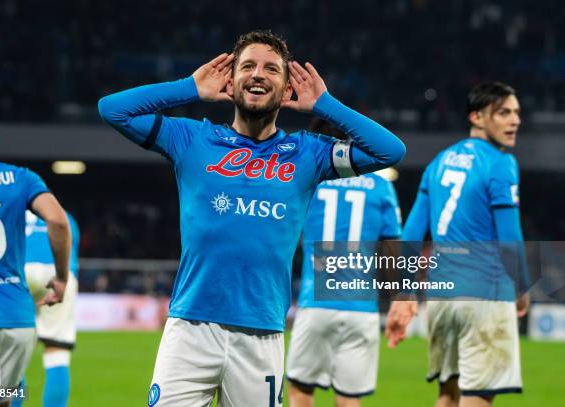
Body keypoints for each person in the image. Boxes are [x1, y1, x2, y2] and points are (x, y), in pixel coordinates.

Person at [98, 30, 405, 406]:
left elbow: (390, 150)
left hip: (261, 335)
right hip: (191, 328)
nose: (258, 74)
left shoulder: (309, 154)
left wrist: (324, 104)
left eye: (271, 69)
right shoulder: (191, 139)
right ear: (231, 79)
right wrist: (188, 88)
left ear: (287, 85)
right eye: (248, 66)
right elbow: (112, 109)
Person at [386, 82, 529, 407]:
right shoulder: (501, 163)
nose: (515, 121)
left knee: (448, 395)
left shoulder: (439, 162)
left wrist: (405, 292)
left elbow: (411, 234)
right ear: (477, 117)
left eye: (517, 113)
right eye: (504, 112)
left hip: (441, 299)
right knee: (478, 395)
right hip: (484, 296)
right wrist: (522, 286)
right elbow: (509, 238)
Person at [0, 95, 71, 407]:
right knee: (4, 400)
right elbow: (58, 220)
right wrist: (60, 278)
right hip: (18, 322)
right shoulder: (22, 178)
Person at [286, 119, 402, 407]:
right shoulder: (380, 184)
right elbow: (391, 249)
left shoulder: (310, 180)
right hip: (362, 308)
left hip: (316, 303)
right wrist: (398, 297)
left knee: (301, 391)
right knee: (350, 399)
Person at [11, 210, 80, 407]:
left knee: (12, 357)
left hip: (19, 271)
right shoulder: (65, 215)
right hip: (58, 272)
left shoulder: (11, 211)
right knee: (57, 352)